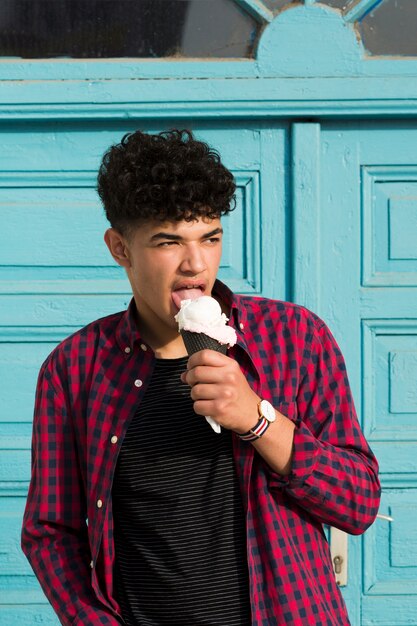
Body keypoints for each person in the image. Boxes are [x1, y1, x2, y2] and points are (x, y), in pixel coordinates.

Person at [22, 128, 381, 626]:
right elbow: (50, 532)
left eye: (209, 238)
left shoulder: (297, 338)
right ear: (120, 248)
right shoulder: (75, 368)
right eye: (169, 242)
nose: (196, 265)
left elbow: (358, 503)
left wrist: (257, 419)